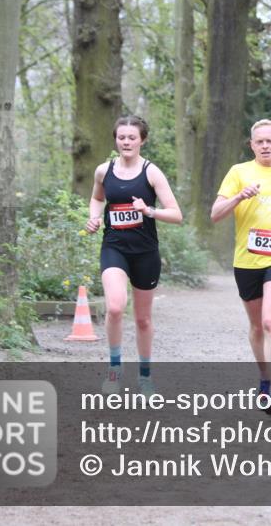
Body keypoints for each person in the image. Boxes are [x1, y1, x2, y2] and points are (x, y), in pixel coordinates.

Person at [212, 119, 271, 416]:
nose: (265, 146)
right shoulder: (238, 173)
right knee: (255, 327)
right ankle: (265, 379)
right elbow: (215, 214)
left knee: (269, 322)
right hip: (246, 259)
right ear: (252, 145)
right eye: (259, 141)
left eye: (270, 141)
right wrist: (239, 196)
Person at [86, 116, 183, 396]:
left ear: (142, 140)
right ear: (115, 139)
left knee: (142, 319)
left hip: (145, 253)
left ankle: (144, 377)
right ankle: (115, 371)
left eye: (132, 137)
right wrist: (94, 218)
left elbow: (176, 215)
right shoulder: (104, 171)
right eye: (121, 137)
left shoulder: (152, 173)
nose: (126, 142)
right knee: (115, 307)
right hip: (114, 247)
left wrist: (149, 211)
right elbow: (96, 198)